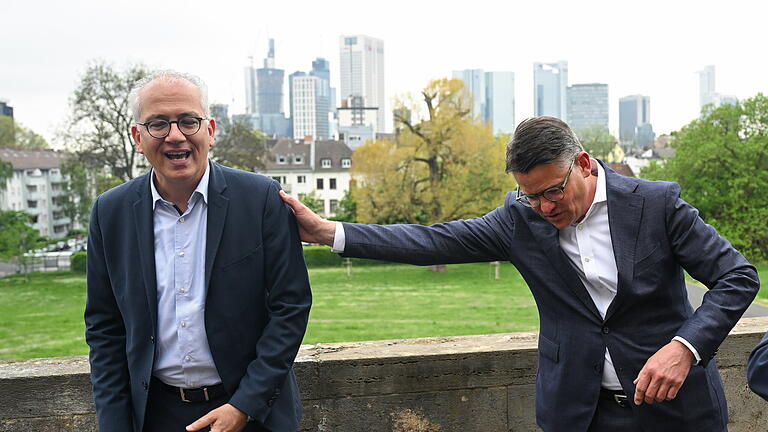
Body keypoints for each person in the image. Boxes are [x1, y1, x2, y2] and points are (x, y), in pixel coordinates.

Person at [279, 116, 759, 431]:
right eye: (531, 195)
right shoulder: (520, 218)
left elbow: (737, 277)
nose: (544, 207)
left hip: (676, 413)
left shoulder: (657, 204)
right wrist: (327, 232)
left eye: (553, 191)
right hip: (579, 415)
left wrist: (685, 347)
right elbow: (432, 240)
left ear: (585, 164)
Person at [85, 70, 312, 432]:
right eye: (158, 124)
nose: (175, 135)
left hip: (252, 414)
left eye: (188, 121)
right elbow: (104, 328)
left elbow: (291, 306)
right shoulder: (109, 213)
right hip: (155, 416)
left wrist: (244, 405)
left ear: (210, 130)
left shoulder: (261, 200)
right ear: (137, 138)